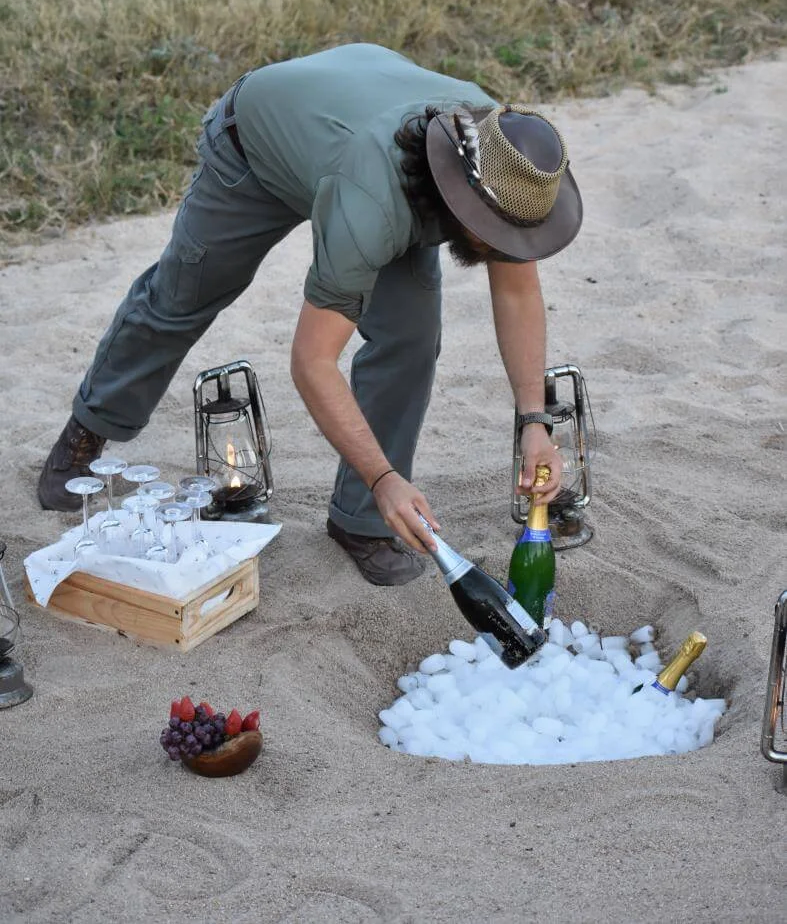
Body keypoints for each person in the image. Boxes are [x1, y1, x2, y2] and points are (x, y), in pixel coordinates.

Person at [38, 43, 582, 585]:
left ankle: (361, 521)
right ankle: (89, 426)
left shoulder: (502, 156)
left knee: (409, 340)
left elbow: (515, 293)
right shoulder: (373, 205)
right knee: (181, 298)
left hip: (356, 134)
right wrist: (385, 475)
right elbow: (312, 362)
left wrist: (534, 423)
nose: (502, 247)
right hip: (257, 143)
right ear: (462, 203)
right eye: (495, 238)